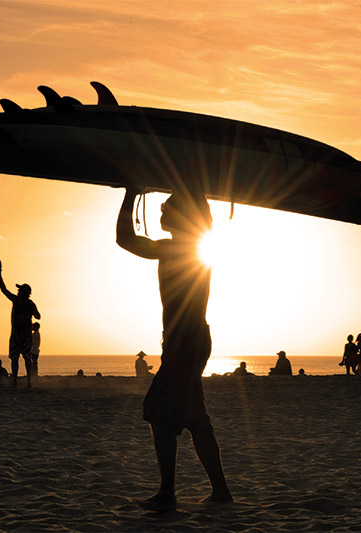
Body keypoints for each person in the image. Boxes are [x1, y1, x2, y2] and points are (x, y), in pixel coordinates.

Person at [117, 186, 231, 513]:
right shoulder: (196, 248)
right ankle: (221, 491)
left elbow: (125, 239)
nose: (162, 212)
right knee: (195, 417)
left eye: (167, 208)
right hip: (192, 340)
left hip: (185, 342)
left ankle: (167, 494)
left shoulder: (177, 248)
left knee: (159, 412)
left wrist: (130, 194)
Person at [0, 264, 40, 388]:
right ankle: (29, 380)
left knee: (15, 358)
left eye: (19, 290)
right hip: (26, 336)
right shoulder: (31, 303)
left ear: (22, 293)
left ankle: (15, 381)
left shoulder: (17, 300)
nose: (17, 291)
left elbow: (4, 290)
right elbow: (38, 316)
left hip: (16, 334)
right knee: (27, 357)